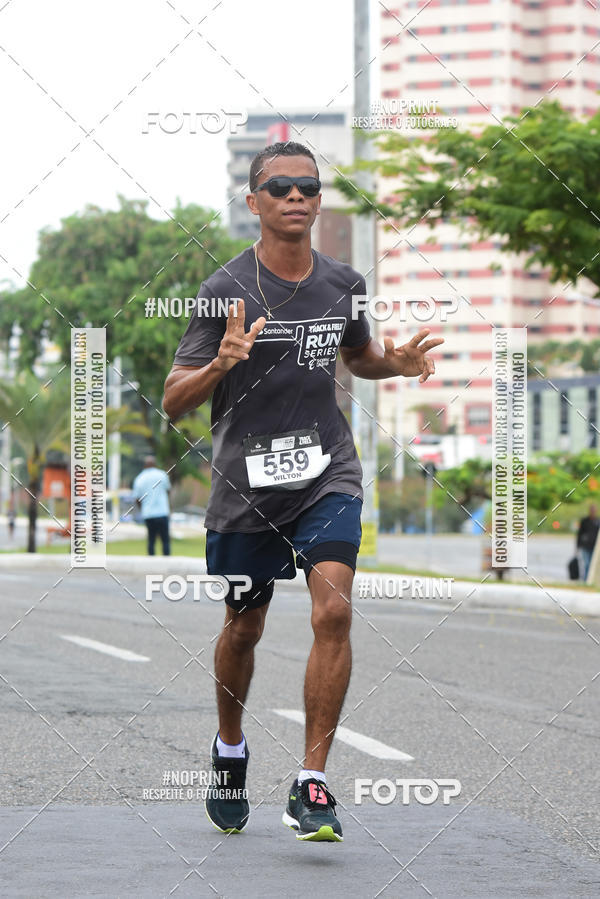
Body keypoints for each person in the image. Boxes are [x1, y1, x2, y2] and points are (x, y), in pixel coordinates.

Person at [162, 141, 443, 842]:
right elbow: (172, 401)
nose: (295, 196)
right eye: (279, 186)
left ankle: (312, 779)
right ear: (254, 202)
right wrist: (219, 363)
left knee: (333, 613)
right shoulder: (223, 291)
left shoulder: (344, 283)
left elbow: (358, 355)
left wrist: (396, 364)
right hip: (246, 487)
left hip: (328, 472)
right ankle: (230, 749)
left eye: (308, 187)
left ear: (318, 200)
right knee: (244, 626)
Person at [132, 456, 171, 555]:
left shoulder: (139, 478)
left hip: (148, 513)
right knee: (165, 540)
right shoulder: (162, 475)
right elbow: (168, 491)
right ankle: (167, 562)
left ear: (144, 465)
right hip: (162, 512)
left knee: (151, 540)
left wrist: (142, 509)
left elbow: (137, 498)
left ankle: (151, 563)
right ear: (155, 464)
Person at [576, 503, 599, 581]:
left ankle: (589, 580)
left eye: (594, 510)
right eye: (591, 510)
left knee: (592, 565)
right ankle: (585, 579)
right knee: (586, 564)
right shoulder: (584, 521)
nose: (592, 512)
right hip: (585, 546)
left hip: (595, 547)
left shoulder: (598, 521)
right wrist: (578, 546)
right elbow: (579, 534)